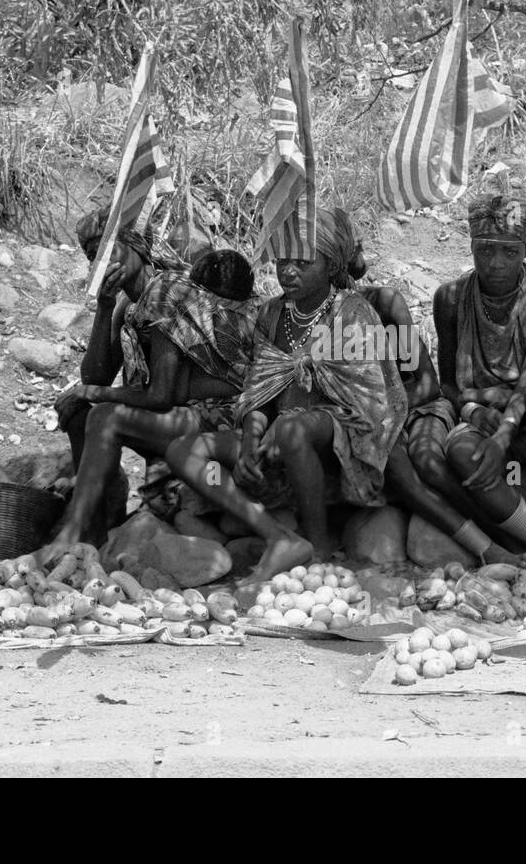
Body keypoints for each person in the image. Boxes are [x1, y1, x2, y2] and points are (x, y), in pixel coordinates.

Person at [166, 208, 408, 583]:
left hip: (339, 448)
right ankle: (274, 534)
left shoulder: (352, 313)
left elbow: (370, 401)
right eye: (282, 260)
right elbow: (259, 388)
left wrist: (289, 426)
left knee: (294, 428)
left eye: (302, 262)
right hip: (276, 443)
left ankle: (318, 540)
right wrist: (249, 443)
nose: (287, 271)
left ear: (330, 265)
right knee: (184, 451)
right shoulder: (272, 313)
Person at [41, 212, 261, 558]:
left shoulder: (164, 291)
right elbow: (94, 376)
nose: (101, 263)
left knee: (104, 415)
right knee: (80, 415)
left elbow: (161, 394)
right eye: (92, 256)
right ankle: (93, 538)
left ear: (137, 248)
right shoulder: (127, 305)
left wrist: (94, 394)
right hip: (177, 412)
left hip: (218, 413)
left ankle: (74, 531)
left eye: (107, 250)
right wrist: (103, 305)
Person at [409, 194, 526, 569]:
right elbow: (448, 383)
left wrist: (506, 431)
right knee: (461, 453)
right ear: (472, 247)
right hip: (481, 413)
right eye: (485, 250)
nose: (495, 263)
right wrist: (476, 414)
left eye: (508, 253)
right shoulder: (449, 298)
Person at [324, 207, 517, 564]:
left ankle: (498, 540)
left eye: (309, 259)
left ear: (330, 263)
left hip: (414, 408)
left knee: (422, 462)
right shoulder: (299, 317)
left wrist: (382, 413)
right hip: (352, 422)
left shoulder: (381, 306)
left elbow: (427, 384)